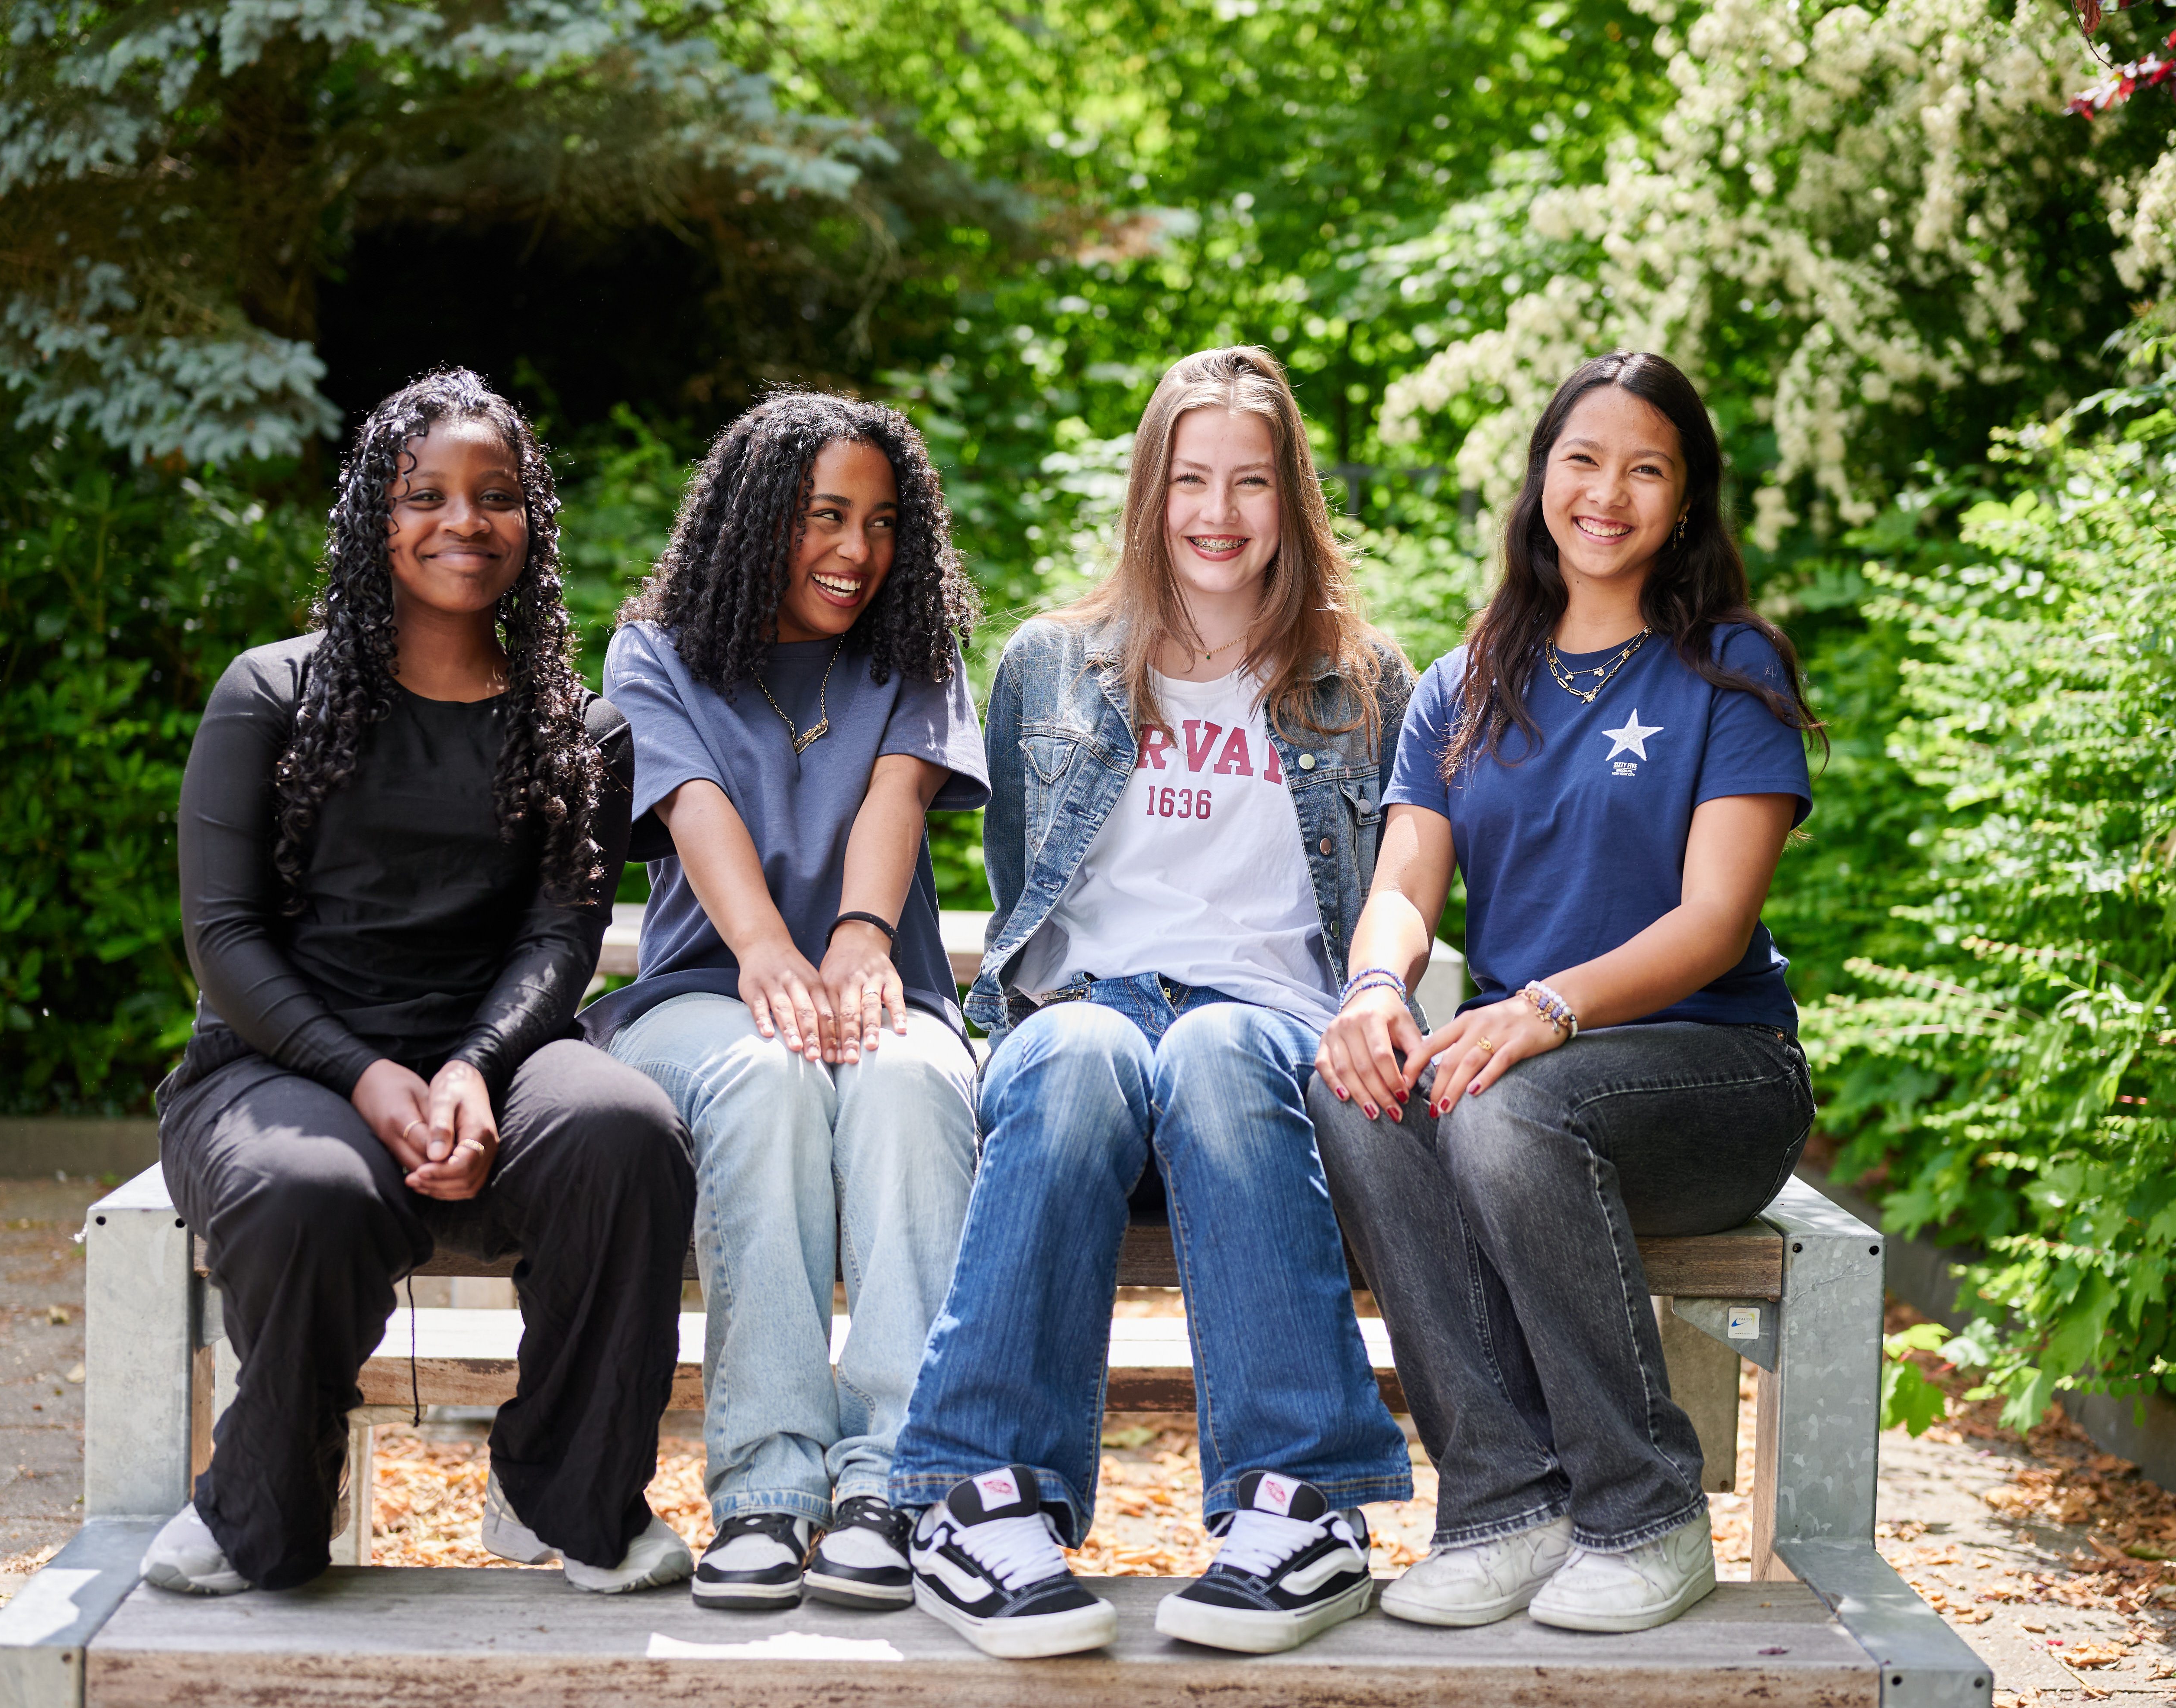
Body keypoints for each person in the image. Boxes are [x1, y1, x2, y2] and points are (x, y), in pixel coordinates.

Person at [887, 346, 1416, 1659]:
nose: (1218, 514)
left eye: (1250, 483)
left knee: (1223, 1047)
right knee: (1070, 1052)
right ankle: (977, 1499)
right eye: (1190, 481)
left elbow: (1382, 896)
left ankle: (1303, 1508)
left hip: (1272, 1027)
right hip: (1090, 1015)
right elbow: (1028, 895)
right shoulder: (1049, 665)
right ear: (1149, 491)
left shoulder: (1364, 676)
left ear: (1291, 498)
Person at [142, 368, 696, 1599]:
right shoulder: (271, 694)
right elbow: (224, 939)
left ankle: (571, 1491)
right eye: (426, 495)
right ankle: (260, 1506)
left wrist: (467, 1069)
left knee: (625, 1131)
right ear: (373, 521)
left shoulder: (578, 729)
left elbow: (561, 938)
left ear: (530, 524)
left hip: (493, 1057)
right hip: (280, 1064)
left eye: (495, 497)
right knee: (307, 1193)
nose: (464, 522)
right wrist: (367, 1075)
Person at [1312, 350, 1820, 1636]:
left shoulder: (1728, 671)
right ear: (1540, 479)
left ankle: (1644, 1512)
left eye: (1645, 468)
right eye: (1581, 460)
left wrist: (1541, 1012)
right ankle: (1505, 1502)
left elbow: (1713, 924)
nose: (1607, 492)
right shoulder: (1466, 680)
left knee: (1504, 1111)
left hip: (1710, 1078)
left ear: (1686, 501)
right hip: (1531, 1087)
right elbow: (1405, 878)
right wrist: (1377, 985)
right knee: (1359, 1094)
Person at [586, 392, 988, 1612]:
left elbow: (896, 799)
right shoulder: (653, 652)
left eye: (879, 522)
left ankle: (892, 1483)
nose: (856, 552)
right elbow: (696, 807)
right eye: (825, 517)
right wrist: (767, 953)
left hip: (884, 987)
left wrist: (861, 942)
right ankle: (766, 1485)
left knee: (915, 1081)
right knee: (765, 1072)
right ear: (758, 517)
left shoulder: (909, 650)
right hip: (707, 995)